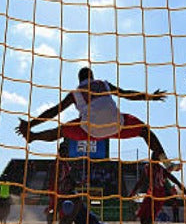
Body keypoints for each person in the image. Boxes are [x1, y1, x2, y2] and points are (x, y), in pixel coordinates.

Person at [15, 67, 170, 163]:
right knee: (144, 131)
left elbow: (53, 111)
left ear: (79, 80)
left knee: (61, 131)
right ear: (93, 76)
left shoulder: (75, 93)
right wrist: (149, 96)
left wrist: (30, 124)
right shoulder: (104, 84)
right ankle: (166, 160)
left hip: (90, 130)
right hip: (116, 125)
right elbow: (127, 94)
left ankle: (33, 137)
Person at [129, 154, 186, 224]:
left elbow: (174, 180)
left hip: (158, 195)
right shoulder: (148, 168)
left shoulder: (160, 169)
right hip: (151, 194)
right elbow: (141, 181)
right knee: (143, 219)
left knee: (148, 220)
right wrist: (133, 192)